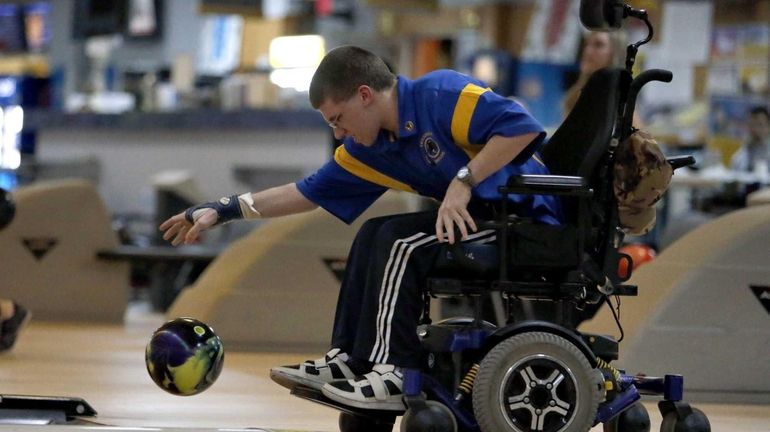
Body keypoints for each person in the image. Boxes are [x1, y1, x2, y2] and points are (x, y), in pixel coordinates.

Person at [159, 46, 563, 411]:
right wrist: (224, 209)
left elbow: (521, 126)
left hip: (523, 219)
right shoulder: (370, 148)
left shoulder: (440, 94)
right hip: (475, 219)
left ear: (365, 95)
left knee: (400, 240)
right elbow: (305, 192)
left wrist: (463, 180)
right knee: (372, 233)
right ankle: (351, 360)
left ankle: (394, 370)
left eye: (339, 119)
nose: (338, 132)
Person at [731, 106, 770, 174]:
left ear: (768, 127)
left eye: (760, 125)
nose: (755, 129)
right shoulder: (738, 157)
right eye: (752, 125)